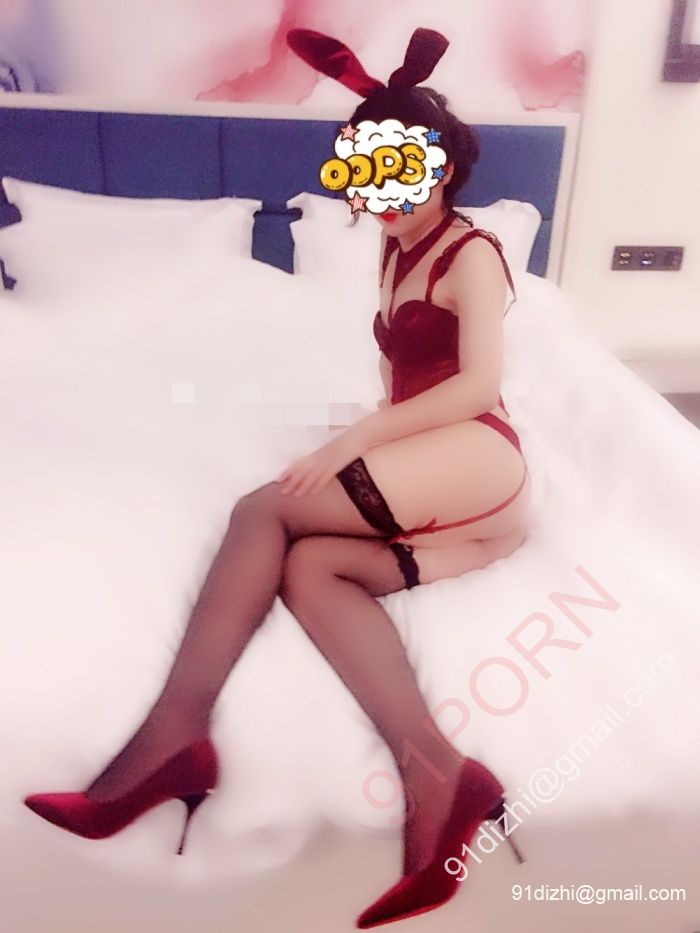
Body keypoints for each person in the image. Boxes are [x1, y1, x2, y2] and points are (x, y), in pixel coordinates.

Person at [22, 26, 529, 929]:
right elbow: (404, 377)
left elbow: (478, 386)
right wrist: (368, 440)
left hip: (480, 452)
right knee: (310, 565)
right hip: (441, 470)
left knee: (264, 509)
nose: (378, 197)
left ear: (442, 168)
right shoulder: (396, 245)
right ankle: (441, 773)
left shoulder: (474, 253)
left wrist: (359, 442)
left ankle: (173, 736)